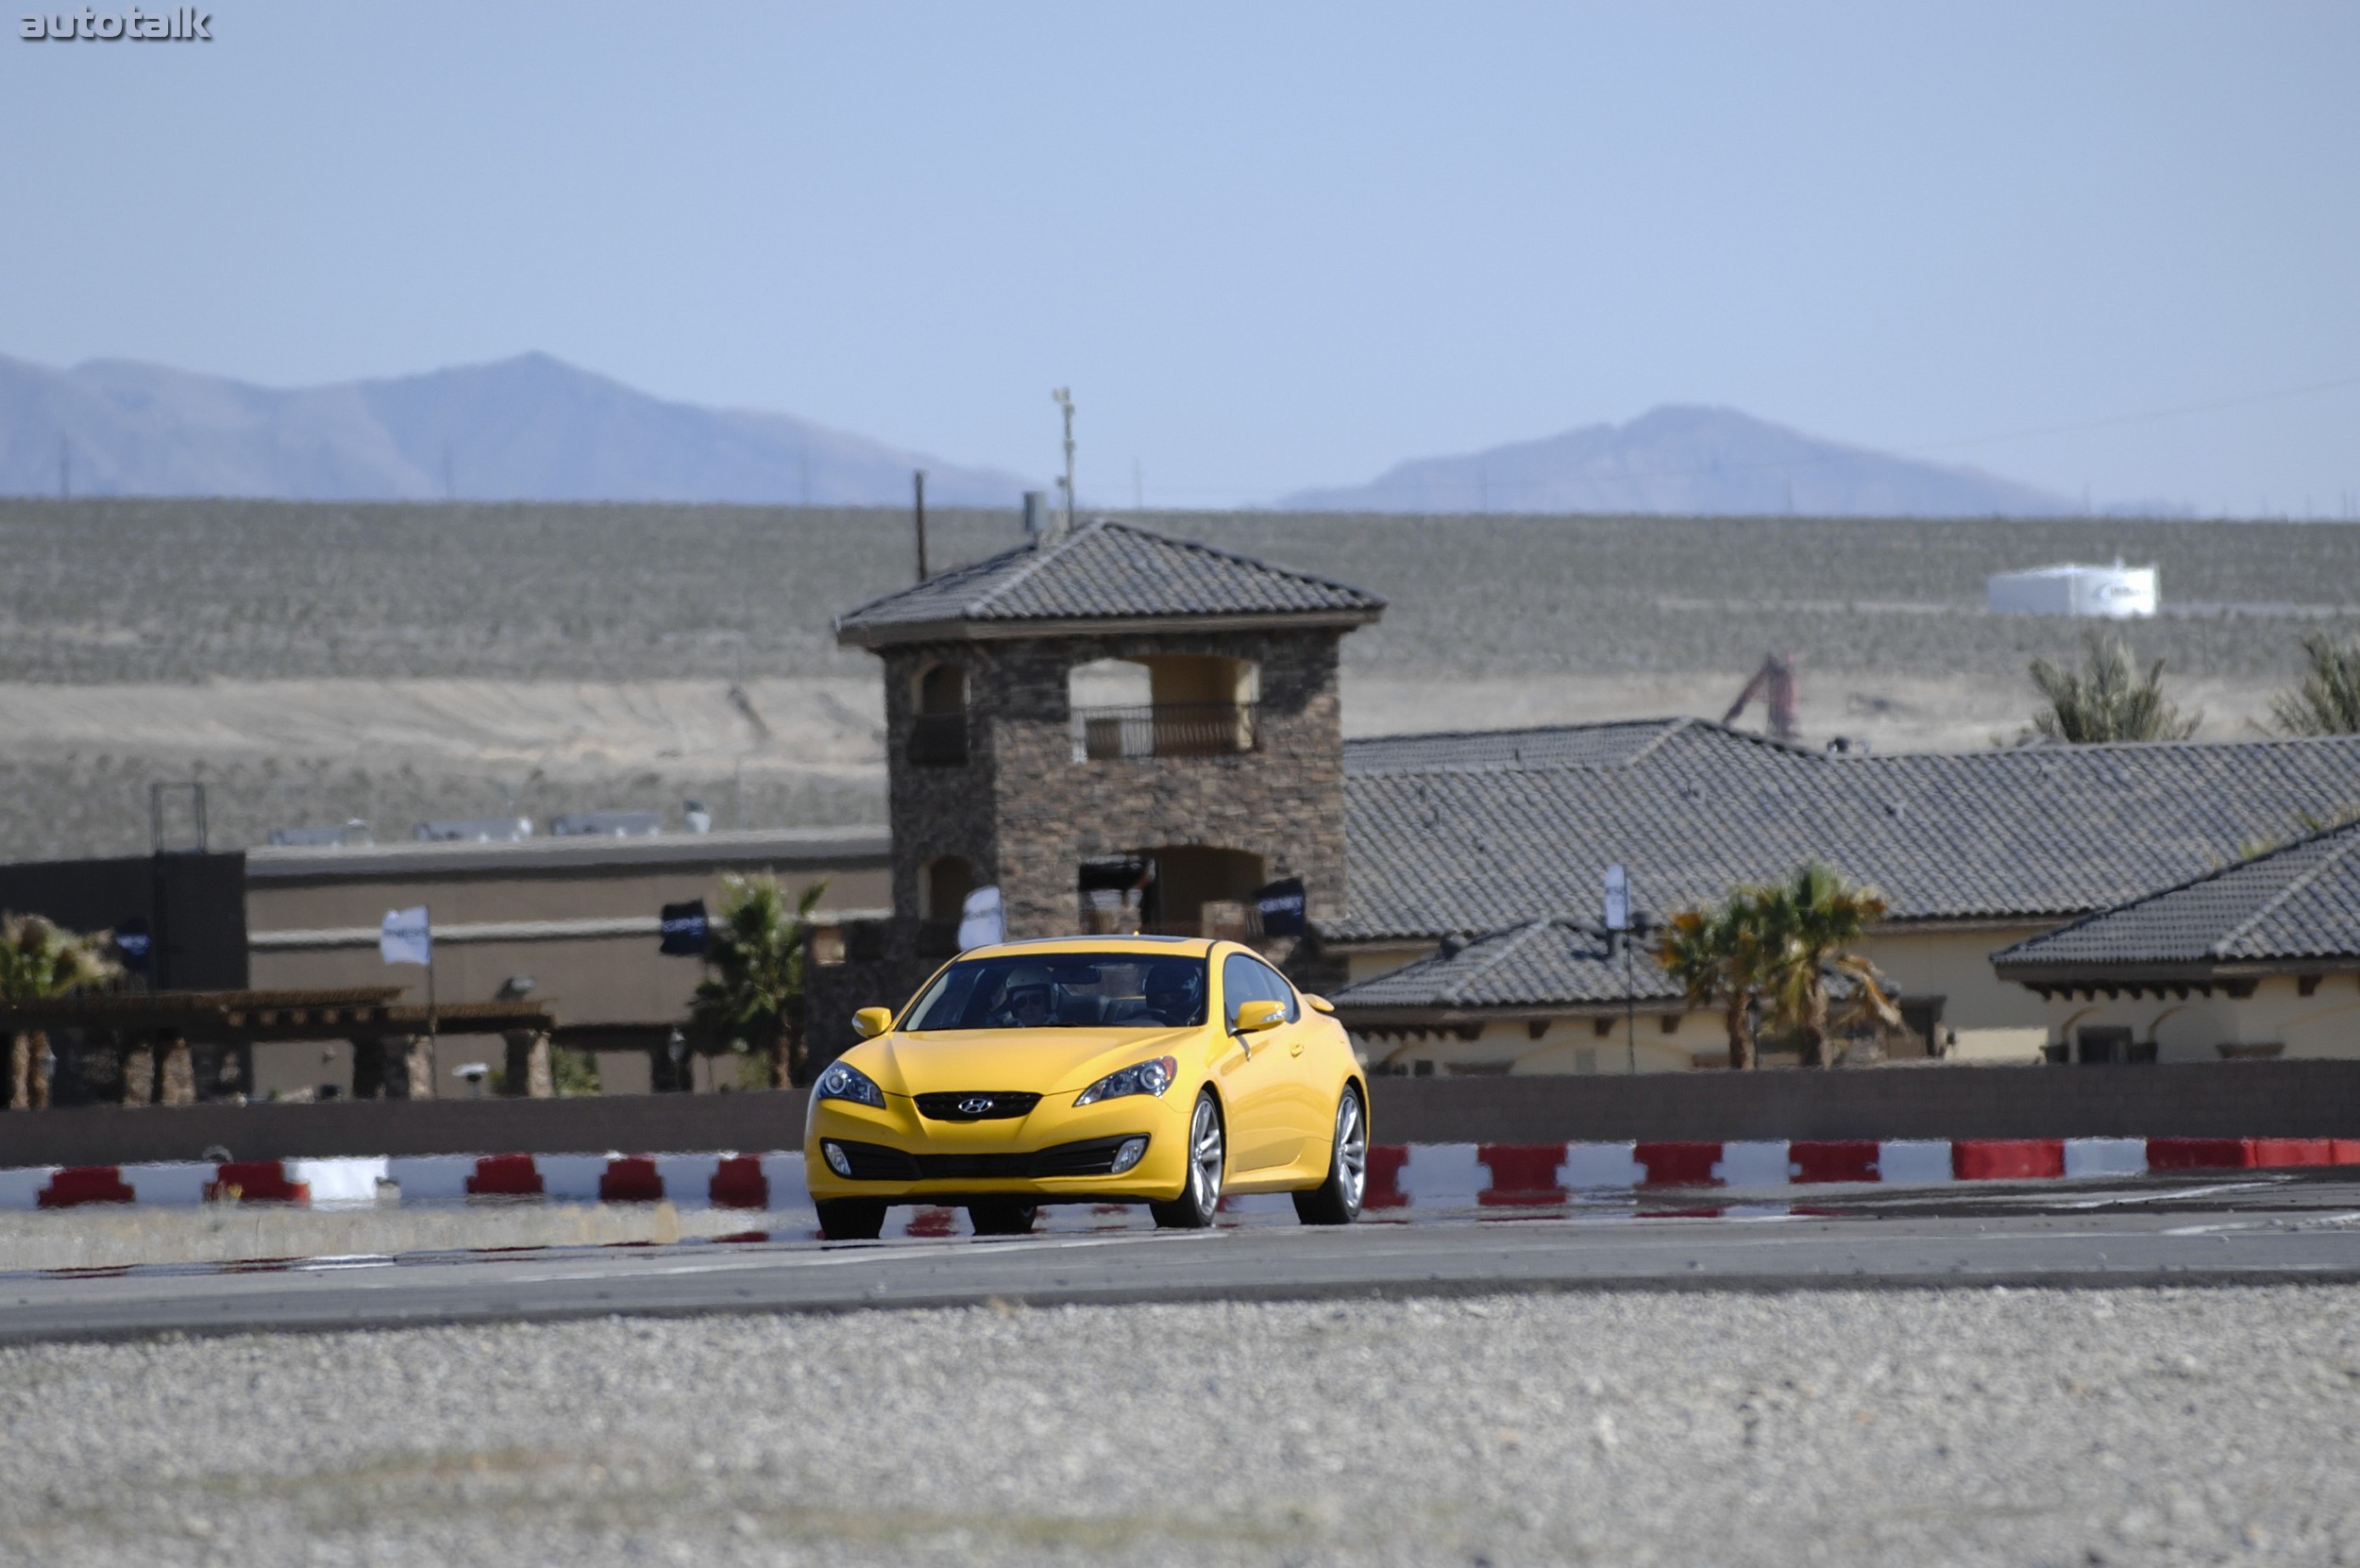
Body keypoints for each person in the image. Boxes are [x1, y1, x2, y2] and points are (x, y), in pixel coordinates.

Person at [988, 967, 1056, 1029]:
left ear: (1049, 1001)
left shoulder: (1063, 1033)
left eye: (1035, 999)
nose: (1028, 1007)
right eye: (1020, 1002)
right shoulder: (1002, 1036)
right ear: (1014, 1008)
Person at [1141, 961, 1205, 1026]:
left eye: (1173, 997)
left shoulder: (1203, 1023)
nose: (1167, 1001)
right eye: (1162, 998)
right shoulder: (1140, 1023)